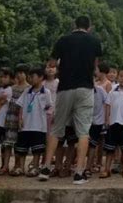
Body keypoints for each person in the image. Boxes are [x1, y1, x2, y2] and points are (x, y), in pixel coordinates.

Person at [38, 15, 103, 185]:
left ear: (74, 25)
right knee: (83, 131)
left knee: (57, 128)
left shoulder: (62, 40)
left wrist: (63, 66)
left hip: (65, 87)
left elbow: (52, 62)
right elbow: (95, 65)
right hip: (85, 88)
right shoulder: (94, 41)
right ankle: (79, 173)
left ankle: (45, 168)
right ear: (89, 27)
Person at [13, 66, 53, 176]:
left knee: (37, 149)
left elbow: (49, 107)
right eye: (29, 77)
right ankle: (20, 167)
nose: (30, 79)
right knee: (22, 148)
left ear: (41, 78)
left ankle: (35, 167)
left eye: (33, 76)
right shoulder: (26, 91)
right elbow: (20, 106)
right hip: (26, 124)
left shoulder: (46, 92)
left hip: (39, 125)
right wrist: (20, 118)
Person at [1, 63, 29, 176]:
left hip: (21, 118)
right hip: (9, 116)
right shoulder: (11, 88)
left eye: (22, 73)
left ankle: (17, 166)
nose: (19, 75)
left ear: (26, 74)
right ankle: (5, 166)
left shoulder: (28, 89)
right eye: (18, 72)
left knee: (19, 144)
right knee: (7, 143)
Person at [86, 67, 109, 175]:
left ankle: (88, 167)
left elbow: (107, 103)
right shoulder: (82, 91)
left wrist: (106, 120)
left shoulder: (100, 90)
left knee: (93, 145)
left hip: (97, 122)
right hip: (84, 122)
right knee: (82, 144)